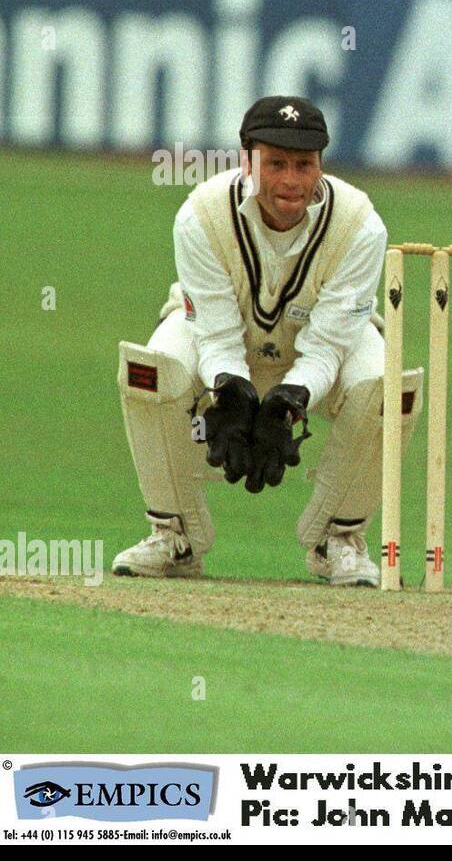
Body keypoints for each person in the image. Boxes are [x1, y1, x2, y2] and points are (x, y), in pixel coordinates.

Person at [113, 97, 423, 587]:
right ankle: (175, 535)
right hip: (221, 340)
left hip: (323, 351)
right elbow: (213, 330)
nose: (291, 181)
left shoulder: (361, 226)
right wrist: (231, 391)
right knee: (151, 371)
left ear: (321, 164)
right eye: (275, 163)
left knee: (389, 391)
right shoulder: (201, 216)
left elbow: (328, 344)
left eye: (305, 165)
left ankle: (338, 540)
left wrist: (290, 401)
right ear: (246, 160)